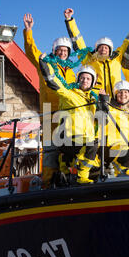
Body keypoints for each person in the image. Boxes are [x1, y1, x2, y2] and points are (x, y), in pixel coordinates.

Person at [23, 13, 76, 187]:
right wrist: (28, 31)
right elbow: (32, 52)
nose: (62, 52)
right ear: (54, 51)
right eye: (60, 50)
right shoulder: (45, 63)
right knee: (50, 152)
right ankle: (47, 184)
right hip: (48, 114)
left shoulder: (72, 72)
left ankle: (68, 181)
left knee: (68, 149)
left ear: (68, 53)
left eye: (65, 50)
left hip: (66, 115)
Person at [39, 54, 100, 184]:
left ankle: (67, 168)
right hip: (69, 137)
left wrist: (104, 101)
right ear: (78, 80)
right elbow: (52, 81)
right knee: (92, 145)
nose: (84, 80)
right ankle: (77, 175)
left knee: (95, 161)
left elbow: (103, 117)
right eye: (82, 78)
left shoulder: (94, 100)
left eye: (88, 79)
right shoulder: (69, 94)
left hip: (83, 139)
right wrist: (44, 64)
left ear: (93, 82)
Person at [63, 8, 129, 98]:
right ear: (96, 49)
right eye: (100, 47)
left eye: (106, 48)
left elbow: (128, 41)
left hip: (115, 98)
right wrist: (69, 20)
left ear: (110, 50)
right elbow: (78, 41)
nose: (103, 49)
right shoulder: (89, 59)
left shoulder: (117, 58)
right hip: (96, 100)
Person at [100, 80, 129, 176]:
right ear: (116, 95)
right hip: (109, 146)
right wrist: (102, 101)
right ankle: (117, 175)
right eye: (120, 92)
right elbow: (101, 118)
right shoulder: (109, 108)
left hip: (127, 148)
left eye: (126, 92)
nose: (123, 95)